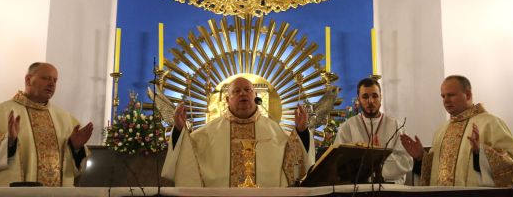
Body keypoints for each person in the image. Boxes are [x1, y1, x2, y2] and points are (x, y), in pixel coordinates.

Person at [161, 77, 314, 187]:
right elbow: (186, 154)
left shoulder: (275, 131)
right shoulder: (206, 133)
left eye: (248, 90)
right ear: (227, 100)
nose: (243, 94)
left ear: (255, 96)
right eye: (236, 91)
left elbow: (294, 163)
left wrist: (301, 132)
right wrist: (180, 130)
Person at [0, 62, 93, 187]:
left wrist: (75, 147)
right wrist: (8, 142)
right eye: (45, 78)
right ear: (28, 80)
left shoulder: (65, 118)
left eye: (55, 80)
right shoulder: (2, 111)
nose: (51, 84)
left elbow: (77, 168)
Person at [400, 75, 513, 196]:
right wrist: (421, 158)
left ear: (468, 95)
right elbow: (434, 174)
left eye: (451, 95)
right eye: (443, 96)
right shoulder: (441, 130)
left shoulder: (490, 123)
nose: (446, 100)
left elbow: (512, 163)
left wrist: (481, 153)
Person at [333, 77, 412, 184]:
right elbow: (339, 164)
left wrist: (377, 157)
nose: (370, 101)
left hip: (391, 188)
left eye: (375, 96)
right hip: (358, 189)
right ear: (358, 99)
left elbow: (406, 162)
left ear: (381, 97)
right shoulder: (347, 128)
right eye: (365, 97)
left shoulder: (395, 125)